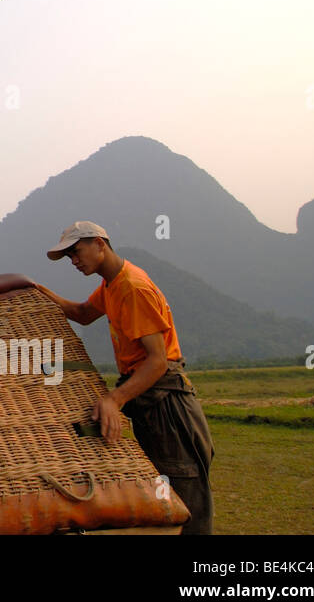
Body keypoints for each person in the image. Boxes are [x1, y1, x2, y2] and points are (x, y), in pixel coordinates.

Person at [36, 221, 215, 534]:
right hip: (148, 399)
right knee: (161, 490)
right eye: (69, 257)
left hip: (167, 402)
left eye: (76, 252)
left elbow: (158, 361)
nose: (75, 261)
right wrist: (38, 292)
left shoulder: (132, 287)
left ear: (99, 244)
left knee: (184, 498)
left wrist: (113, 399)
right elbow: (81, 313)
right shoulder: (111, 285)